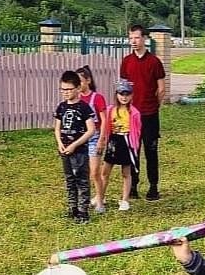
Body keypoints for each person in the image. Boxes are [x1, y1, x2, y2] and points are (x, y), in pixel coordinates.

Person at [119, 24, 166, 200]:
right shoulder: (126, 61)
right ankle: (133, 186)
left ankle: (153, 186)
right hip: (131, 114)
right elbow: (123, 88)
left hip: (149, 113)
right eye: (131, 38)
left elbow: (161, 89)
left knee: (151, 150)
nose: (133, 41)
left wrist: (155, 105)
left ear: (144, 38)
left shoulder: (154, 62)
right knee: (133, 151)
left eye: (137, 38)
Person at [54, 70, 97, 222]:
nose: (65, 93)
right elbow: (57, 128)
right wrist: (60, 143)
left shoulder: (84, 108)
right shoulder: (61, 107)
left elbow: (91, 130)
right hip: (65, 150)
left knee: (82, 180)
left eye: (68, 89)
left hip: (79, 151)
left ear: (78, 88)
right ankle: (72, 207)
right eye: (62, 89)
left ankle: (83, 210)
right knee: (69, 179)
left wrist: (75, 144)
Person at [98, 78, 141, 212]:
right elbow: (105, 126)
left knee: (126, 173)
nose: (124, 97)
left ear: (131, 95)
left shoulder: (134, 113)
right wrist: (104, 139)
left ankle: (125, 200)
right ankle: (100, 197)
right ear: (116, 94)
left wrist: (134, 146)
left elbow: (138, 130)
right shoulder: (111, 110)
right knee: (105, 172)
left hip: (126, 142)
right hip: (113, 142)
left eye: (127, 94)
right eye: (121, 94)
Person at [76, 65, 109, 213]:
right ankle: (84, 199)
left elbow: (104, 120)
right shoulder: (76, 98)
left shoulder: (97, 98)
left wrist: (102, 139)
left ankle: (100, 200)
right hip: (81, 137)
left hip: (95, 137)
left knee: (94, 172)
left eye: (81, 81)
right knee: (80, 171)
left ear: (88, 80)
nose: (78, 85)